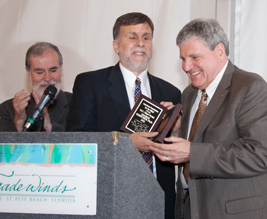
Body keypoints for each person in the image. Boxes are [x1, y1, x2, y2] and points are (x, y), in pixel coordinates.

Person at [149, 18, 267, 219]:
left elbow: (258, 155)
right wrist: (175, 129)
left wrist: (192, 152)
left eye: (194, 57)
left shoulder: (251, 87)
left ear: (219, 51)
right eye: (182, 58)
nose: (186, 66)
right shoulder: (189, 94)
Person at [66, 12, 181, 219]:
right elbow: (77, 142)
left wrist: (176, 129)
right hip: (109, 199)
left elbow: (177, 154)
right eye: (132, 37)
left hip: (159, 202)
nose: (141, 43)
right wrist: (126, 143)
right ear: (116, 46)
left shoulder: (170, 92)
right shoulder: (91, 84)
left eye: (146, 37)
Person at [0, 42, 72, 132]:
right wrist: (19, 120)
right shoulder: (9, 108)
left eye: (53, 70)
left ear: (61, 70)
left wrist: (49, 125)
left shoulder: (77, 104)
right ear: (28, 73)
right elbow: (3, 145)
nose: (47, 78)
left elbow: (83, 143)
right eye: (39, 72)